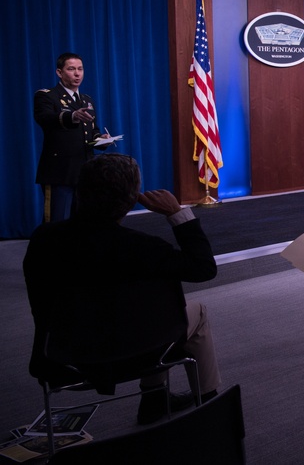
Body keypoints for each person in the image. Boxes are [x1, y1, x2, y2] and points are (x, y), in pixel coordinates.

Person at [23, 154, 222, 425]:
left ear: (80, 192)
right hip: (142, 352)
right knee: (195, 312)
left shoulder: (43, 240)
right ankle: (208, 402)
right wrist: (178, 213)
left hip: (62, 355)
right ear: (131, 200)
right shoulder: (146, 249)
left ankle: (155, 401)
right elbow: (204, 269)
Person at [33, 52, 110, 223]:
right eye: (71, 69)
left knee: (83, 221)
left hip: (85, 172)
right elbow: (45, 119)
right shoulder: (47, 96)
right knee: (57, 222)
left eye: (80, 69)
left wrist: (102, 139)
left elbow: (91, 132)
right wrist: (72, 116)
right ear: (59, 72)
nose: (77, 74)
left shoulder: (87, 100)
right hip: (60, 171)